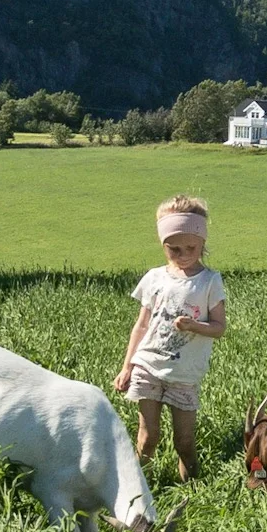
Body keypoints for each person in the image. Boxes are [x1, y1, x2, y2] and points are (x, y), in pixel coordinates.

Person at [114, 195, 227, 480]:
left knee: (184, 442)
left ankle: (191, 490)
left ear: (203, 242)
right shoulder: (154, 278)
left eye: (190, 247)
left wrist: (193, 326)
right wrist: (127, 366)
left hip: (184, 374)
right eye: (173, 248)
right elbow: (141, 326)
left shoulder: (210, 281)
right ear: (162, 245)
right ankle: (138, 489)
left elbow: (219, 327)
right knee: (147, 437)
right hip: (147, 365)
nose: (183, 254)